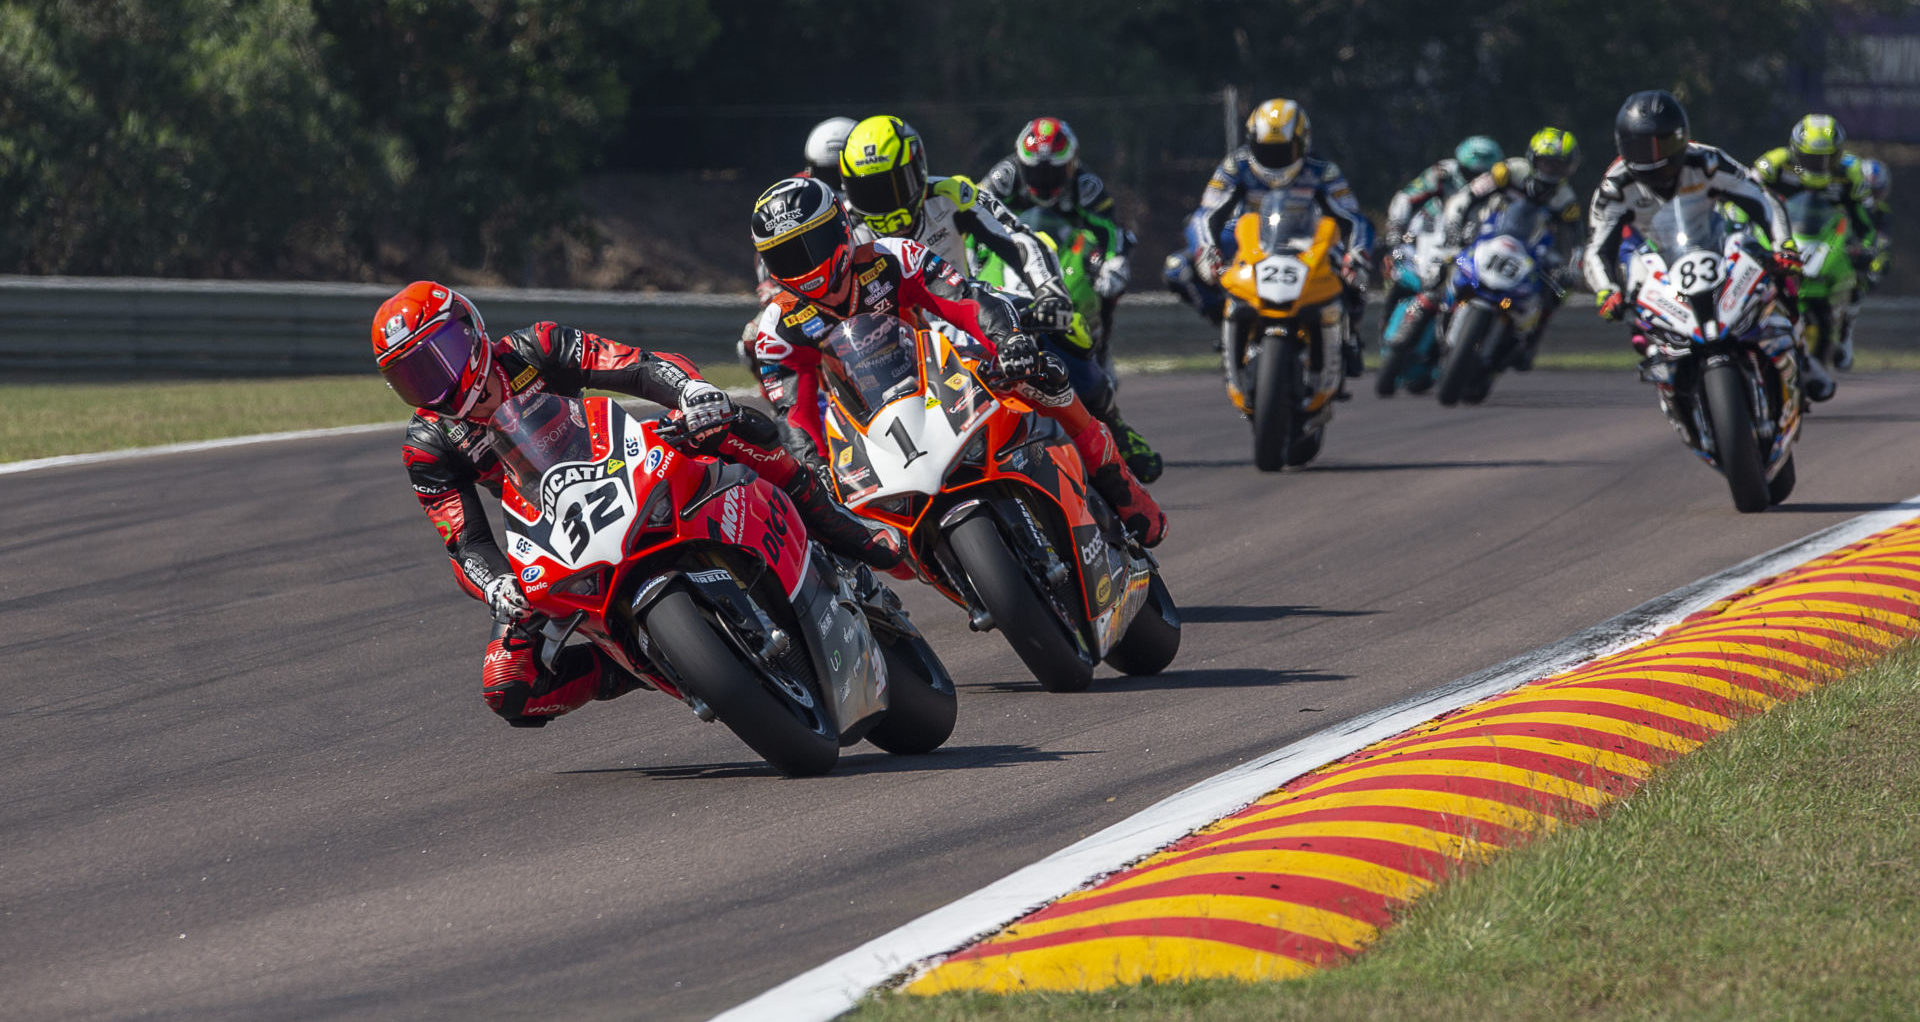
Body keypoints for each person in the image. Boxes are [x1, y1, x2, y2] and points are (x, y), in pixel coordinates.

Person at [373, 281, 899, 729]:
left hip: (619, 459)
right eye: (413, 374)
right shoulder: (427, 445)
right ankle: (636, 663)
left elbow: (637, 366)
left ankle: (833, 523)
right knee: (508, 687)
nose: (433, 381)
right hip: (553, 529)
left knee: (731, 428)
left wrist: (692, 393)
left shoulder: (537, 345)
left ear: (470, 330)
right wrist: (496, 585)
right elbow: (464, 541)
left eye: (438, 355)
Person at [747, 176, 1166, 547]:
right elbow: (793, 414)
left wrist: (1007, 339)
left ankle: (1121, 486)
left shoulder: (892, 256)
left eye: (812, 246)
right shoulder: (776, 329)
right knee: (828, 516)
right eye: (787, 256)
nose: (807, 266)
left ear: (841, 229)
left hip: (937, 372)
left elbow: (966, 300)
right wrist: (814, 466)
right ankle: (877, 612)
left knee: (1044, 374)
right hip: (863, 425)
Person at [839, 115, 1162, 482]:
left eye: (892, 188)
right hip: (897, 346)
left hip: (972, 316)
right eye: (869, 192)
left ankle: (1114, 431)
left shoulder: (951, 194)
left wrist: (1050, 291)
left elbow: (1019, 238)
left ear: (917, 171)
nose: (882, 204)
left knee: (1068, 328)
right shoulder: (846, 230)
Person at [1580, 89, 1834, 402]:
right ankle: (1663, 364)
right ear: (1622, 145)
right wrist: (1606, 290)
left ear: (1683, 138)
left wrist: (1785, 247)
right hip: (1653, 256)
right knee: (1632, 290)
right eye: (1640, 147)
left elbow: (1761, 198)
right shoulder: (1614, 187)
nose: (1654, 156)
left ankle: (1801, 356)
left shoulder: (1707, 160)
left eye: (1664, 144)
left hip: (1713, 241)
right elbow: (1596, 248)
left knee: (1770, 266)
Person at [1165, 97, 1376, 380]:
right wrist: (1207, 250)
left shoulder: (1322, 170)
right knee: (1178, 268)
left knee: (1350, 272)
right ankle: (1230, 320)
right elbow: (1207, 213)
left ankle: (1348, 335)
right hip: (1245, 238)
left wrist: (1357, 255)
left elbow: (1352, 217)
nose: (1274, 160)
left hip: (1307, 240)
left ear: (1303, 143)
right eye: (1265, 150)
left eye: (1283, 151)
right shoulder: (1235, 165)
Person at [1436, 128, 1585, 370]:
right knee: (1448, 263)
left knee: (1558, 292)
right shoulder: (1507, 172)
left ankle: (1531, 339)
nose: (1550, 170)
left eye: (1557, 165)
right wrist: (1454, 232)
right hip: (1486, 234)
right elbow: (1466, 197)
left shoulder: (1565, 200)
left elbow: (1576, 241)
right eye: (1546, 163)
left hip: (1530, 252)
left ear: (1569, 168)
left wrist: (1571, 269)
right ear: (1532, 158)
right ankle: (1445, 307)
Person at [981, 116, 1138, 344]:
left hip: (1069, 255)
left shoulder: (1085, 184)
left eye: (1053, 172)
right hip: (1009, 251)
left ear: (1071, 164)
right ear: (1021, 163)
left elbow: (1109, 229)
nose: (1044, 180)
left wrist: (1111, 261)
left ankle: (1100, 344)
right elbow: (971, 213)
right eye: (1036, 171)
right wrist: (972, 257)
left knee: (1111, 281)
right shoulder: (1005, 176)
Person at [1753, 115, 1881, 369]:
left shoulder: (1850, 172)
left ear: (1837, 155)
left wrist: (1866, 246)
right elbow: (1743, 196)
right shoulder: (1776, 165)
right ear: (1796, 152)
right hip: (1780, 235)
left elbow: (1865, 218)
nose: (1818, 165)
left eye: (1826, 159)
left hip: (1827, 238)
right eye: (1810, 158)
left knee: (1864, 275)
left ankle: (1845, 335)